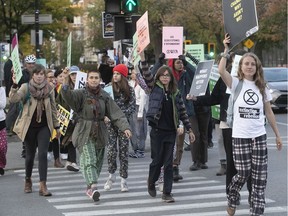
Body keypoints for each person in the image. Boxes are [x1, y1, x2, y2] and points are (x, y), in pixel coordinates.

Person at [219, 34, 282, 216]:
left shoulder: (262, 86)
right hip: (240, 136)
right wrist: (226, 50)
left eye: (252, 64)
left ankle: (257, 211)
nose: (249, 66)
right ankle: (233, 196)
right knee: (244, 173)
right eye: (246, 63)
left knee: (260, 178)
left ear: (257, 68)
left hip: (259, 136)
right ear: (241, 66)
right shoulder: (236, 83)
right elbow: (222, 71)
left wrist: (277, 135)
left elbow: (269, 112)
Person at [60, 70, 132, 202]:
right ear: (87, 80)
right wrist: (65, 82)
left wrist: (125, 127)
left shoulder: (104, 96)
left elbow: (116, 113)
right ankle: (93, 186)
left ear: (100, 80)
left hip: (100, 132)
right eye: (91, 78)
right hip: (84, 131)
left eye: (96, 78)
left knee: (97, 162)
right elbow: (68, 96)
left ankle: (89, 187)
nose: (93, 80)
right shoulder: (81, 93)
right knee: (89, 159)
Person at [139, 51, 195, 203]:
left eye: (167, 75)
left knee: (168, 163)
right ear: (158, 77)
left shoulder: (175, 93)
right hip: (157, 131)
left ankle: (167, 193)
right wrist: (143, 58)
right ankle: (151, 181)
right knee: (157, 161)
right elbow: (146, 74)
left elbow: (182, 112)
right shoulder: (154, 87)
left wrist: (189, 129)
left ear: (171, 78)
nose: (164, 77)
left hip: (171, 131)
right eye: (162, 75)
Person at [9, 64, 60, 196]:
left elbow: (53, 109)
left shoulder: (50, 89)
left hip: (44, 127)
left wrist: (57, 126)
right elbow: (13, 99)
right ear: (33, 76)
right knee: (30, 156)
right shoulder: (26, 87)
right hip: (29, 127)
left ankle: (43, 186)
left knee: (42, 154)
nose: (39, 76)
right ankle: (28, 180)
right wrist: (14, 85)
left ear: (44, 76)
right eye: (36, 74)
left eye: (41, 74)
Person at [104, 64, 136, 192]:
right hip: (110, 124)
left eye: (118, 74)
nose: (115, 76)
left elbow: (132, 107)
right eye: (114, 73)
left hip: (124, 125)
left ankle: (124, 180)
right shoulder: (107, 89)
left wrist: (120, 116)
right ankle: (111, 176)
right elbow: (103, 105)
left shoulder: (129, 89)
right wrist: (105, 116)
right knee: (111, 150)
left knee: (124, 151)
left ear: (123, 76)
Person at [6, 54, 36, 157]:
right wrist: (13, 74)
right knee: (25, 126)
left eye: (32, 63)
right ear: (25, 64)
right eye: (29, 64)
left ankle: (32, 147)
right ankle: (25, 149)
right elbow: (14, 84)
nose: (31, 65)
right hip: (24, 103)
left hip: (36, 103)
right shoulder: (22, 74)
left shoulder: (38, 74)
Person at [56, 66, 80, 172]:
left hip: (79, 118)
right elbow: (58, 102)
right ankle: (72, 162)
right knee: (70, 139)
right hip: (68, 118)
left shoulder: (82, 87)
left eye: (76, 74)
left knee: (74, 140)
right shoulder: (65, 87)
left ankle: (71, 161)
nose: (74, 77)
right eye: (72, 74)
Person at [46, 69, 65, 168]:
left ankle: (57, 160)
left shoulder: (54, 89)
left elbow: (56, 102)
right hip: (42, 117)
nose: (52, 79)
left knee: (55, 137)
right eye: (49, 77)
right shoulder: (41, 87)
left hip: (53, 116)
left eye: (53, 77)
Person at [128, 68, 148, 158]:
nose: (133, 75)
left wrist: (140, 114)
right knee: (132, 130)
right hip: (131, 107)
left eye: (135, 74)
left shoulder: (142, 85)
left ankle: (140, 150)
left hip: (139, 107)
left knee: (140, 131)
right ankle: (135, 149)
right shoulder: (130, 83)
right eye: (132, 73)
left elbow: (143, 99)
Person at [0, 86, 7, 175]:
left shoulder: (1, 90)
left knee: (2, 147)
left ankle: (1, 164)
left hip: (1, 121)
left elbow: (2, 104)